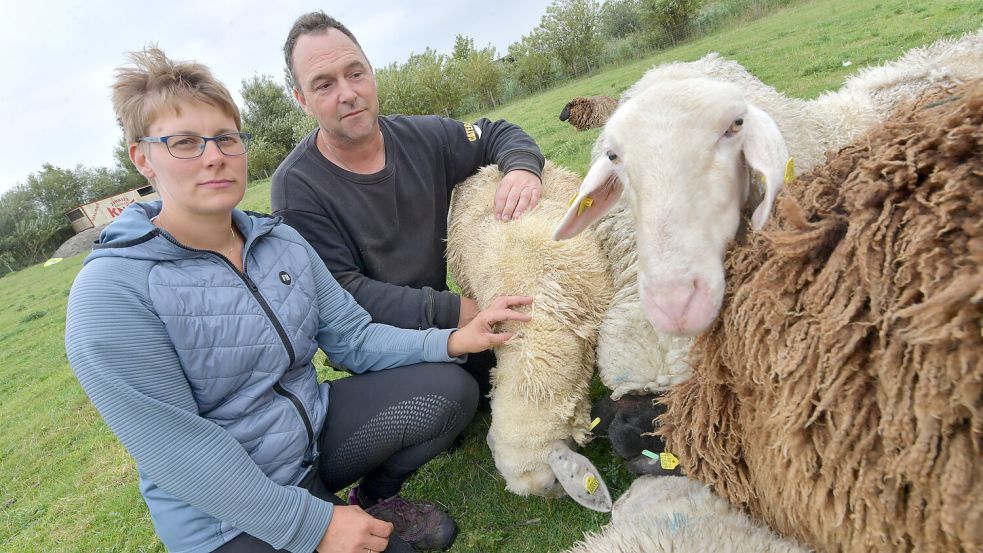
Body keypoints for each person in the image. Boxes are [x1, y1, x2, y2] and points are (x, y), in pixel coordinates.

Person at [65, 47, 532, 553]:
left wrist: (453, 340)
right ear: (143, 158)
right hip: (225, 517)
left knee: (449, 389)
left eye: (225, 138)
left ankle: (370, 502)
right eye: (183, 143)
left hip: (309, 440)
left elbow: (355, 337)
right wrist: (312, 527)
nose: (213, 156)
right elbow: (178, 450)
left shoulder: (279, 243)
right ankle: (329, 517)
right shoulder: (111, 294)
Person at [270, 12, 546, 398]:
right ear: (302, 100)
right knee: (454, 393)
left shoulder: (423, 137)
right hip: (377, 338)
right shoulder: (297, 187)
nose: (347, 93)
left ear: (371, 72)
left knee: (531, 356)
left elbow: (495, 133)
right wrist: (456, 311)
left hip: (445, 319)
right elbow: (343, 290)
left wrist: (521, 168)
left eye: (355, 73)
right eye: (324, 84)